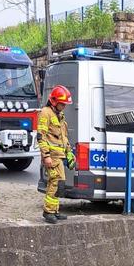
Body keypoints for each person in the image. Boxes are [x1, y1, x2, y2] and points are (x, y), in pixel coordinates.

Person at [37, 85, 75, 223]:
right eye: (62, 103)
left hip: (60, 156)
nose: (64, 106)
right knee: (54, 182)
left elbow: (63, 137)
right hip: (51, 156)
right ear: (54, 101)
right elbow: (41, 136)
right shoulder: (45, 113)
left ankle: (55, 210)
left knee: (60, 184)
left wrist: (69, 152)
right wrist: (46, 156)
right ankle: (48, 212)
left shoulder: (60, 116)